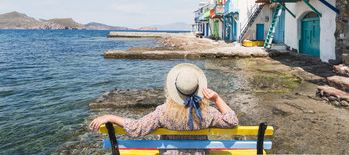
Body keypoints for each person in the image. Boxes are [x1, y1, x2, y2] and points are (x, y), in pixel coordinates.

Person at [90, 63, 239, 155]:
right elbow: (232, 121)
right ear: (198, 88)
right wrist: (217, 99)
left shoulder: (163, 112)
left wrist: (110, 117)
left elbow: (137, 128)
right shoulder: (207, 113)